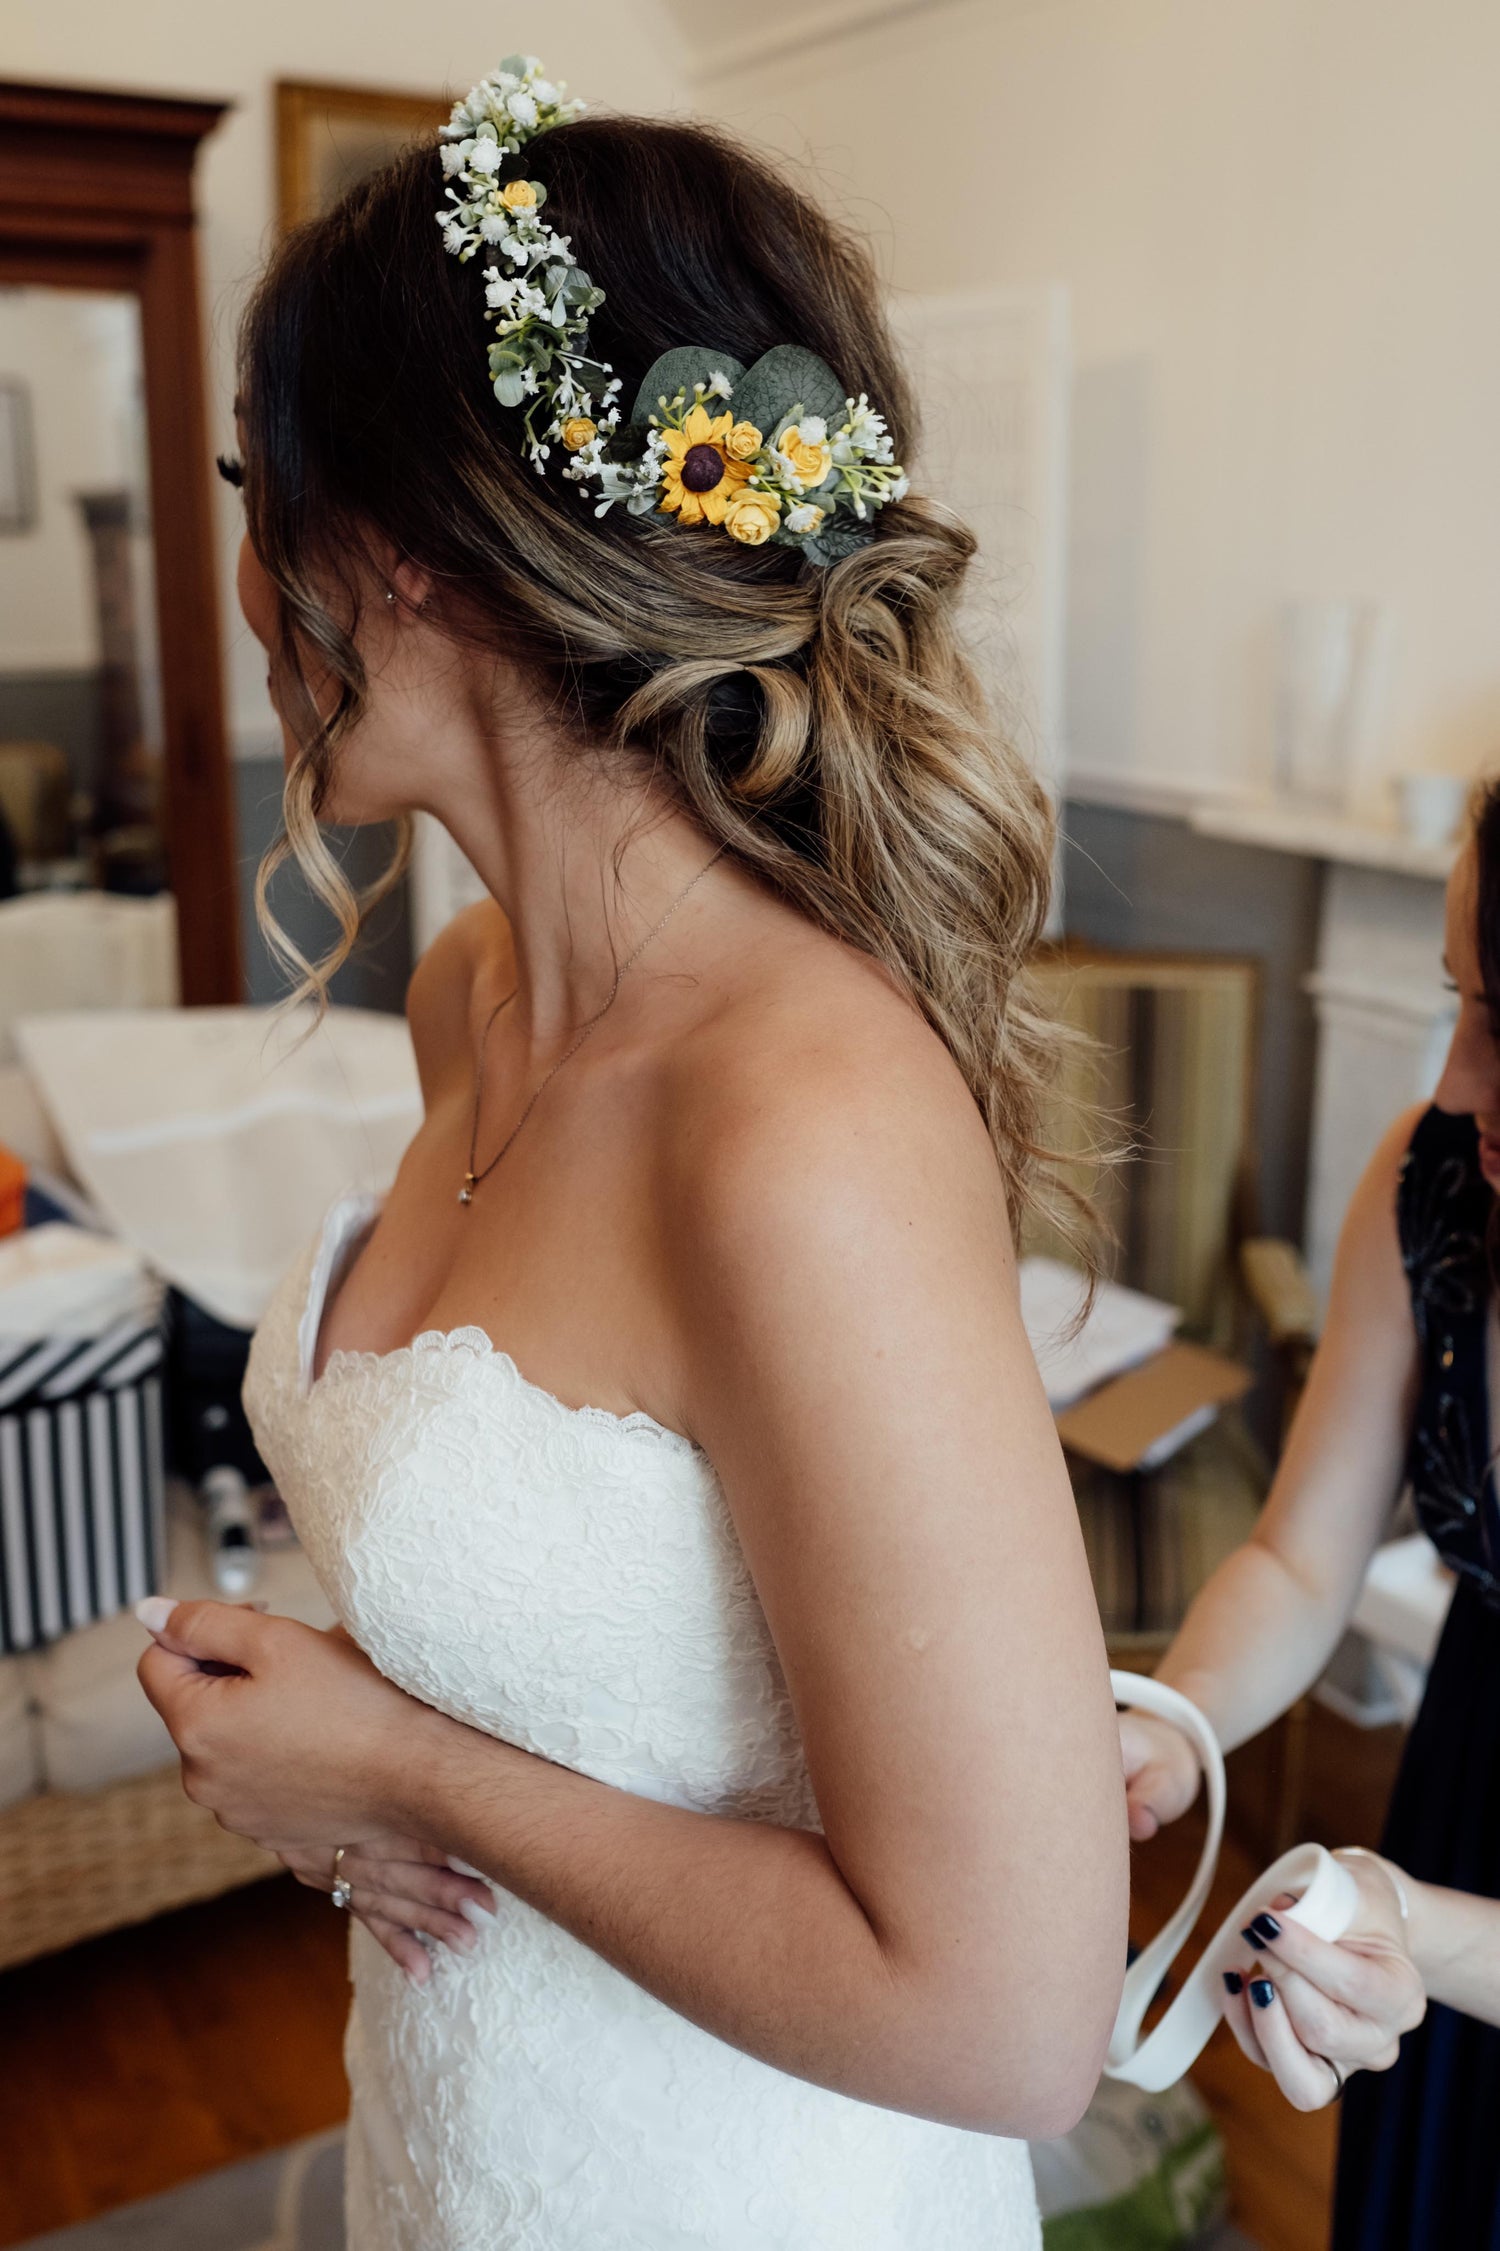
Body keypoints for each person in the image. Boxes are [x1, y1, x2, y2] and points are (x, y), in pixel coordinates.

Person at [135, 63, 1128, 2251]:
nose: (237, 568)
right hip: (475, 2136)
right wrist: (321, 1731)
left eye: (252, 488)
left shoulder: (799, 1121)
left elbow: (1011, 2015)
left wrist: (392, 1769)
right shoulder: (464, 997)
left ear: (400, 548)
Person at [1121, 780, 1500, 2246]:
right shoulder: (1434, 1190)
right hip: (1464, 1779)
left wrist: (1419, 1926)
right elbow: (1296, 1554)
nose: (1457, 1081)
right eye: (1461, 997)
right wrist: (1180, 1719)